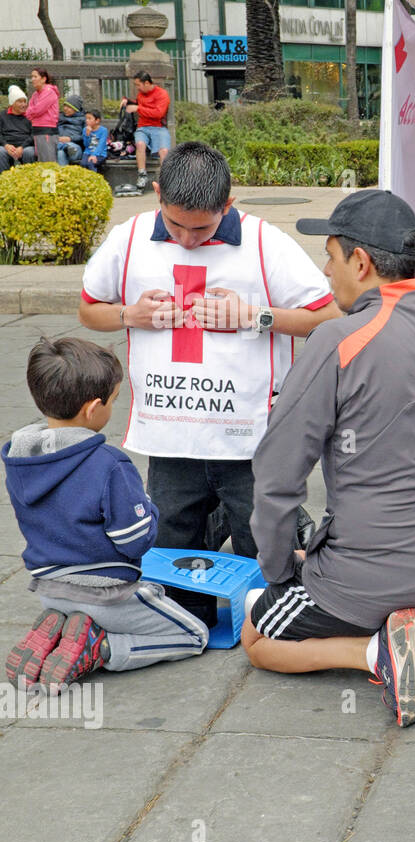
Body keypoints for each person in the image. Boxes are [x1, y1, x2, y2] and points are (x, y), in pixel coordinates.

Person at [240, 190, 415, 729]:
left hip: (365, 582)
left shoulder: (338, 339)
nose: (327, 271)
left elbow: (277, 476)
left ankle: (378, 653)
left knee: (257, 636)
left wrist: (280, 570)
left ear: (361, 262)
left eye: (330, 256)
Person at [78, 141, 340, 626]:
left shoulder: (265, 243)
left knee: (262, 540)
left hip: (251, 435)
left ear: (229, 204)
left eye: (203, 227)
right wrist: (128, 314)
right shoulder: (130, 237)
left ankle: (266, 622)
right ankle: (187, 621)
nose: (188, 239)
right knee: (172, 541)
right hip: (171, 432)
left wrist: (251, 315)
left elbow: (327, 317)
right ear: (157, 194)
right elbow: (88, 309)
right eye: (176, 224)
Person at [2, 338, 209, 692]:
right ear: (94, 407)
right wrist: (147, 505)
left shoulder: (20, 457)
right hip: (107, 594)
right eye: (113, 401)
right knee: (194, 634)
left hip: (48, 588)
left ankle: (60, 629)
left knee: (80, 608)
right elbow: (135, 541)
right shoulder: (109, 464)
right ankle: (102, 647)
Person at [120, 71, 170, 188]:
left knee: (164, 151)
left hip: (159, 127)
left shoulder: (162, 94)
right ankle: (142, 174)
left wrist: (138, 108)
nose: (137, 88)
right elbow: (137, 103)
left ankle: (165, 180)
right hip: (143, 127)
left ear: (147, 83)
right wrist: (126, 100)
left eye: (138, 85)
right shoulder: (141, 94)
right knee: (140, 144)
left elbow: (158, 113)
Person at [25, 69, 59, 163]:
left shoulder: (49, 92)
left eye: (35, 77)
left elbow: (37, 110)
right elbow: (28, 111)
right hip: (37, 129)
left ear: (43, 79)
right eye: (31, 77)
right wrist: (31, 111)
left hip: (47, 130)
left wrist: (31, 111)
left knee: (48, 161)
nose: (32, 79)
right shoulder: (35, 94)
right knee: (41, 160)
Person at [1, 86, 35, 172]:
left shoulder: (30, 116)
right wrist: (6, 145)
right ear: (12, 103)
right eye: (20, 101)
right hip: (7, 146)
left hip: (25, 146)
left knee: (30, 152)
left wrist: (22, 147)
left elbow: (33, 134)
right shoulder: (2, 115)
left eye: (25, 101)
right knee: (0, 152)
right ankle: (4, 179)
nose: (23, 105)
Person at [56, 94, 85, 166]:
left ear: (76, 109)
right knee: (60, 153)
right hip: (59, 143)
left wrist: (70, 138)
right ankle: (63, 175)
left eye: (69, 107)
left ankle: (66, 146)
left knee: (71, 147)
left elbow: (84, 136)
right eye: (65, 106)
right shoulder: (58, 117)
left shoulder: (84, 119)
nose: (65, 108)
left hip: (75, 147)